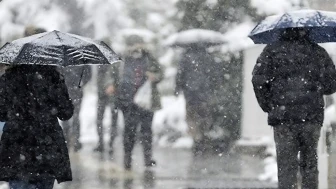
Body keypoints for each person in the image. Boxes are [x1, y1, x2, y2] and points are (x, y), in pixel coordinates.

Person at [252, 28, 336, 189]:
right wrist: (315, 88)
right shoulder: (318, 52)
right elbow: (331, 85)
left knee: (286, 166)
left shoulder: (271, 51)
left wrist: (269, 105)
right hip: (311, 117)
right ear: (307, 30)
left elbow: (258, 81)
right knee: (309, 163)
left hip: (282, 118)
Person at [0, 65, 74, 189]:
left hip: (17, 147)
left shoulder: (8, 78)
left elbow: (1, 114)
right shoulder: (53, 77)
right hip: (46, 147)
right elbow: (66, 113)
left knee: (19, 183)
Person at [105, 35, 163, 170]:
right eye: (134, 45)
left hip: (147, 101)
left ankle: (147, 159)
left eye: (140, 44)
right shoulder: (121, 60)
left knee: (146, 130)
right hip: (127, 101)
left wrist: (154, 76)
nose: (137, 48)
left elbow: (161, 73)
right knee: (129, 131)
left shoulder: (149, 58)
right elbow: (111, 75)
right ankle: (127, 158)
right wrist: (110, 85)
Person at [60, 65, 92, 152]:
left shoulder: (80, 59)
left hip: (74, 91)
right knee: (69, 116)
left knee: (74, 116)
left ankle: (73, 140)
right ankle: (70, 139)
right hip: (67, 90)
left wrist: (80, 83)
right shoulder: (80, 58)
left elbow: (88, 74)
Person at [95, 64, 118, 154]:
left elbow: (115, 75)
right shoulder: (98, 60)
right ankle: (101, 143)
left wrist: (111, 85)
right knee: (100, 119)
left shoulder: (113, 59)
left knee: (113, 119)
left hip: (112, 93)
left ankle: (110, 144)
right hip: (102, 93)